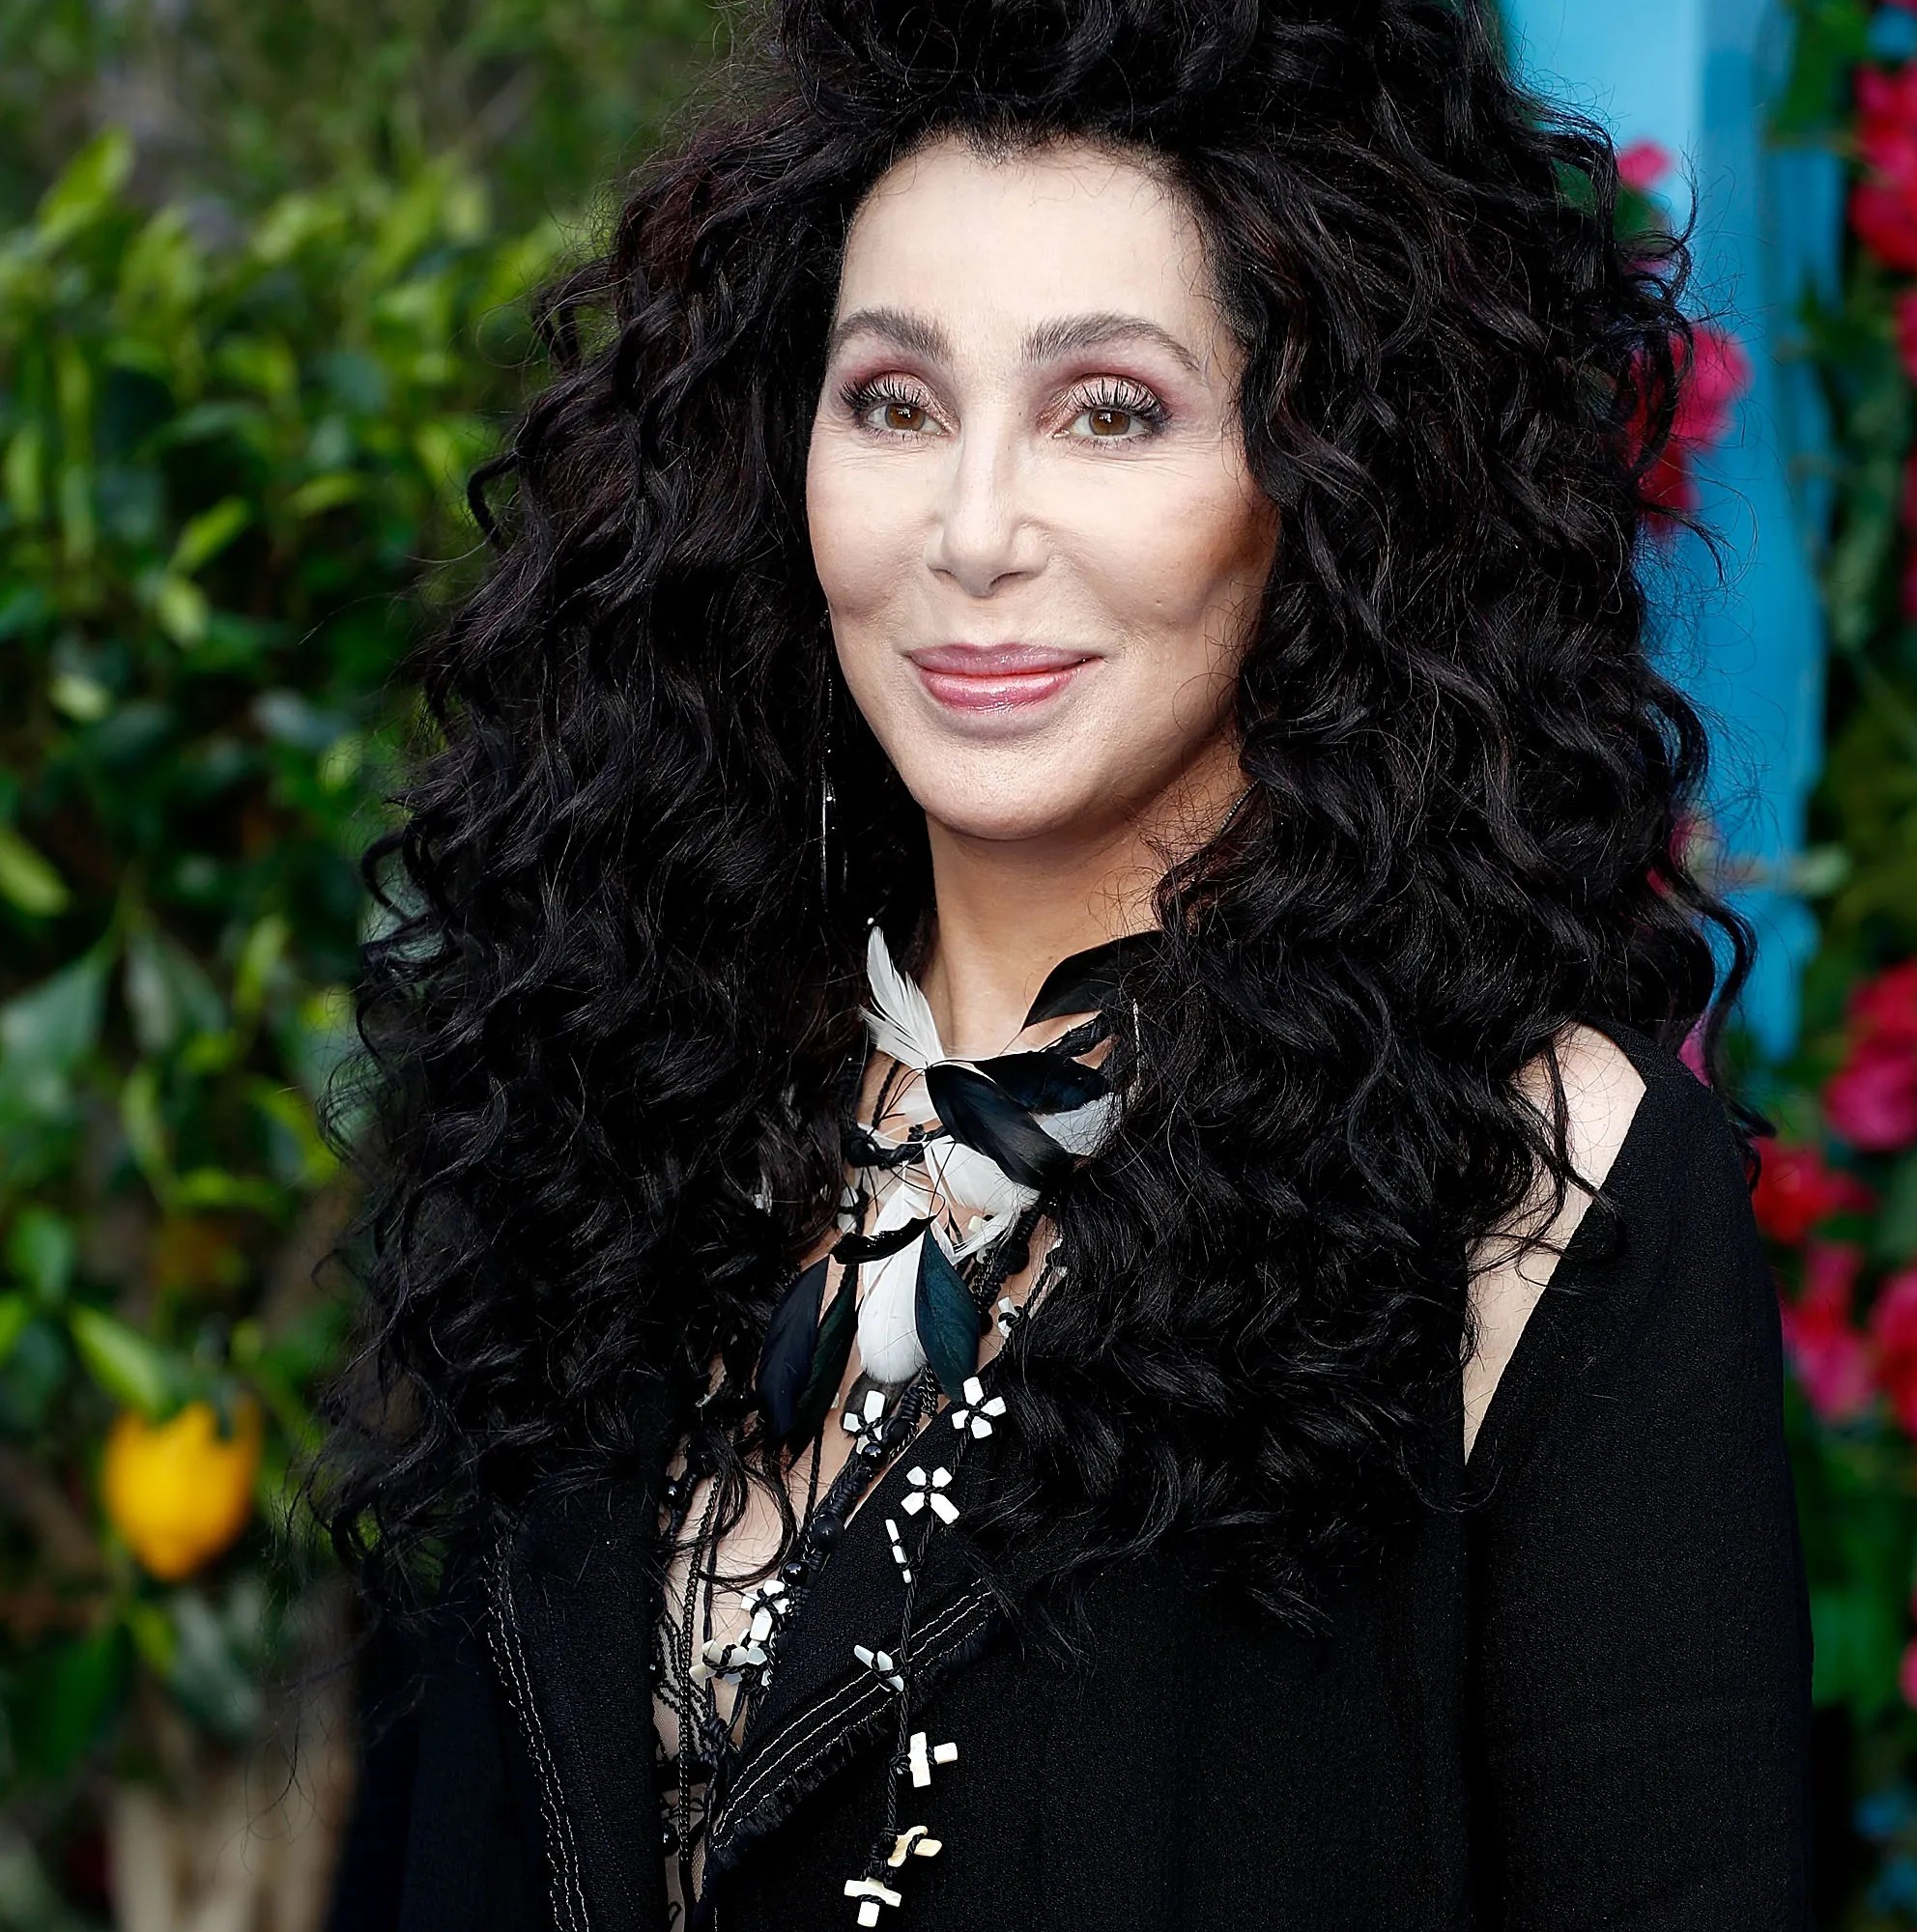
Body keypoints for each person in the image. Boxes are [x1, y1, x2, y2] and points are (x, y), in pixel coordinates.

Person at [323, 2, 1813, 1927]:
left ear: (1322, 478)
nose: (970, 532)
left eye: (1109, 408)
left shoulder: (1530, 1188)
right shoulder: (619, 1076)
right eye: (893, 402)